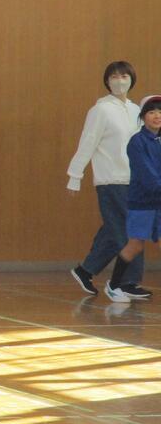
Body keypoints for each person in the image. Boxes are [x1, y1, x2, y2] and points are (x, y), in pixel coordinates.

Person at [67, 61, 148, 299]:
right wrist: (75, 176)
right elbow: (88, 142)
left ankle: (85, 270)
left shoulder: (136, 110)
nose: (119, 81)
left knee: (114, 229)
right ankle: (126, 282)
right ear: (107, 81)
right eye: (114, 77)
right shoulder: (100, 110)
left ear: (132, 80)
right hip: (111, 180)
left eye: (124, 76)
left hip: (135, 180)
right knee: (128, 232)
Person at [104, 96, 161, 302]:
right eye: (152, 112)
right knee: (135, 245)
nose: (157, 116)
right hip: (142, 203)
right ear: (143, 116)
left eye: (160, 112)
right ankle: (113, 285)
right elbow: (147, 174)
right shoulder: (137, 142)